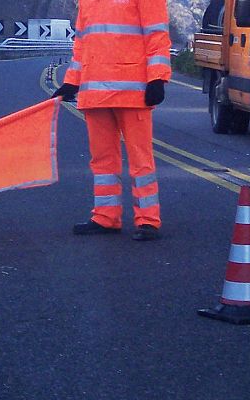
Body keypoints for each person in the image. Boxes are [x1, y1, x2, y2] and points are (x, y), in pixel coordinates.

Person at [53, 0, 171, 241]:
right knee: (102, 161)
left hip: (132, 92)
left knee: (140, 160)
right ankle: (106, 216)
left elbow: (157, 35)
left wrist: (157, 78)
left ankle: (148, 220)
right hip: (95, 92)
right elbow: (81, 44)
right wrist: (72, 81)